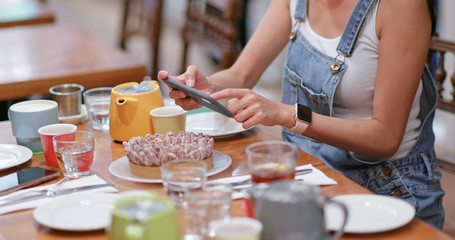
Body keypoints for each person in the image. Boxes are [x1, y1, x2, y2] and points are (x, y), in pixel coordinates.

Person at [158, 0, 444, 229]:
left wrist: (288, 115)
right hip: (311, 177)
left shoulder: (402, 6)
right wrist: (208, 89)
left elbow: (385, 136)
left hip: (385, 189)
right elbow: (242, 73)